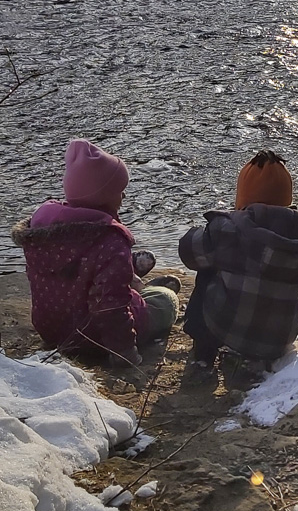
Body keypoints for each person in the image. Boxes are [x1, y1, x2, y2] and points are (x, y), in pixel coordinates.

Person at [13, 138, 178, 363]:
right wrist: (124, 352)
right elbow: (111, 309)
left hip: (52, 330)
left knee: (101, 272)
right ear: (105, 196)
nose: (124, 196)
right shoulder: (109, 240)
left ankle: (129, 275)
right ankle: (141, 284)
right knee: (165, 300)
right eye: (120, 191)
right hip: (94, 339)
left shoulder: (40, 229)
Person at [178, 149, 298, 369]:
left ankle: (203, 354)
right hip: (278, 341)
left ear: (243, 197)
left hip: (227, 329)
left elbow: (188, 253)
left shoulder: (226, 230)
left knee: (206, 267)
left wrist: (207, 229)